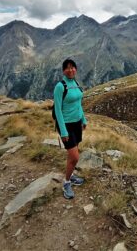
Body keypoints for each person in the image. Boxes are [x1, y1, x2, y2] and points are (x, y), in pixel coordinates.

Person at [53, 58, 87, 199]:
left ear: (76, 69)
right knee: (75, 156)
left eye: (73, 67)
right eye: (67, 67)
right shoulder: (60, 86)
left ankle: (71, 175)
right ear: (63, 71)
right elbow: (58, 110)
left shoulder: (76, 83)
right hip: (66, 125)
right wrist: (63, 131)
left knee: (72, 156)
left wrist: (83, 119)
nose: (71, 70)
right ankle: (66, 182)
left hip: (77, 123)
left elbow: (79, 103)